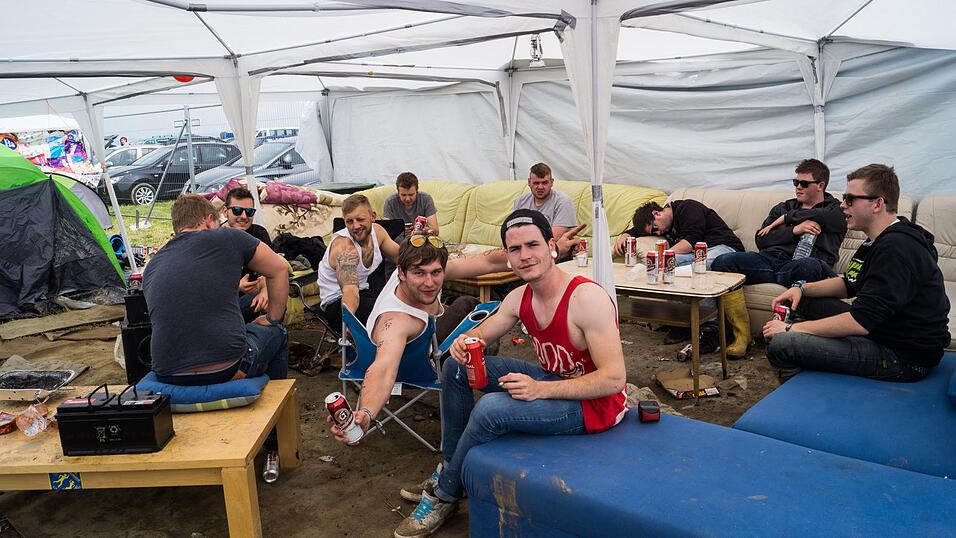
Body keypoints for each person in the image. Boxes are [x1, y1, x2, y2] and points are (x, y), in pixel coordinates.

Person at [330, 209, 625, 538]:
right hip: (556, 384)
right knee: (455, 366)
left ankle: (446, 492)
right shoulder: (516, 298)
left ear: (551, 246)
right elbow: (386, 367)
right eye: (515, 250)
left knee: (489, 409)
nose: (525, 256)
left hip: (597, 405)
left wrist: (541, 391)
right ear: (401, 274)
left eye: (533, 245)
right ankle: (451, 470)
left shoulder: (586, 298)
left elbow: (614, 380)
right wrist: (463, 345)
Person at [763, 164, 950, 382]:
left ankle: (804, 390)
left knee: (781, 345)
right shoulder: (876, 240)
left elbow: (860, 322)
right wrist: (801, 289)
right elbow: (849, 283)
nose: (842, 205)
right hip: (883, 330)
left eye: (850, 199)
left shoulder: (896, 249)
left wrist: (789, 329)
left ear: (878, 203)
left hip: (902, 356)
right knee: (801, 300)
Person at [143, 194, 289, 385]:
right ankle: (277, 402)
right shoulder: (227, 236)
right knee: (278, 333)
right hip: (225, 368)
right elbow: (279, 269)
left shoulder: (153, 264)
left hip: (167, 373)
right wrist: (272, 318)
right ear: (209, 220)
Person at [711, 158, 848, 357]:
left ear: (820, 186)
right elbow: (761, 239)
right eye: (795, 183)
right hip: (769, 261)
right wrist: (795, 230)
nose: (798, 188)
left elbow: (829, 218)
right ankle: (741, 335)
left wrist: (785, 221)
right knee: (723, 261)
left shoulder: (836, 209)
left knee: (809, 266)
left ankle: (784, 336)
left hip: (803, 264)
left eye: (803, 184)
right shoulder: (783, 207)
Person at [616, 198, 745, 351]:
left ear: (656, 213)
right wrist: (625, 236)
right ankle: (685, 321)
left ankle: (712, 328)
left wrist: (663, 257)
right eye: (654, 232)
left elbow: (691, 240)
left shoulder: (687, 208)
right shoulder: (661, 222)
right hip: (696, 255)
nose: (658, 233)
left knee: (697, 266)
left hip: (724, 249)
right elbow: (637, 230)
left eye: (656, 228)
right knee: (669, 267)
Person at [221, 187, 274, 322]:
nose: (244, 216)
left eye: (249, 212)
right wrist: (236, 286)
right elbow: (205, 283)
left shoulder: (259, 234)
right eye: (237, 211)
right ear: (224, 211)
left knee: (274, 300)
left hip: (251, 300)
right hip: (223, 305)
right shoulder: (215, 238)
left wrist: (264, 291)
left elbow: (271, 272)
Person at [512, 163, 578, 239]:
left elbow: (553, 237)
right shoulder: (520, 201)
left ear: (552, 182)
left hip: (553, 248)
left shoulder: (563, 201)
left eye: (544, 183)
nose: (540, 187)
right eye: (536, 183)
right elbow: (513, 230)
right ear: (529, 182)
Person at [383, 172, 438, 239]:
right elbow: (385, 232)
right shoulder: (390, 202)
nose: (407, 199)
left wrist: (420, 231)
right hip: (399, 243)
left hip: (422, 240)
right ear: (398, 192)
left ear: (417, 191)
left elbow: (435, 231)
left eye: (411, 195)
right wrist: (400, 232)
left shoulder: (426, 199)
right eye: (403, 195)